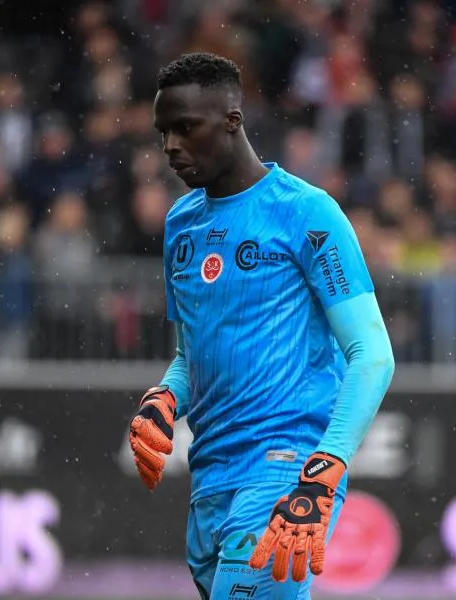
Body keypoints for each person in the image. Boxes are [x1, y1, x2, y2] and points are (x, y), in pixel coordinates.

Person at [127, 52, 395, 600]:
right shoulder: (181, 224)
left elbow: (372, 352)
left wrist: (323, 472)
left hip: (287, 472)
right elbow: (191, 352)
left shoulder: (307, 213)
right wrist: (165, 398)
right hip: (211, 477)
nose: (170, 146)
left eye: (186, 128)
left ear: (232, 120)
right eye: (163, 131)